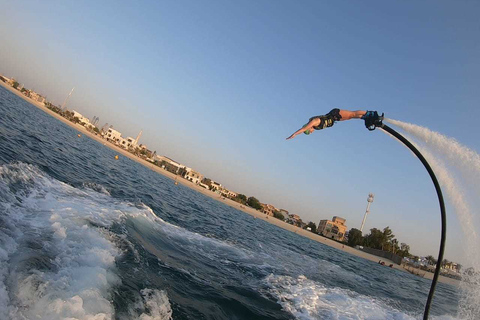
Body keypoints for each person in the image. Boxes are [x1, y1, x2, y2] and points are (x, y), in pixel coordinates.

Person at [286, 108, 383, 140]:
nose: (311, 132)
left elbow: (303, 129)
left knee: (351, 114)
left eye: (309, 131)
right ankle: (367, 118)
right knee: (351, 117)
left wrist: (294, 134)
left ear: (309, 128)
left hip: (335, 114)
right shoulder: (316, 127)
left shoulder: (314, 122)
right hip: (336, 119)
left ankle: (370, 113)